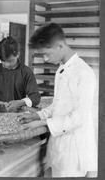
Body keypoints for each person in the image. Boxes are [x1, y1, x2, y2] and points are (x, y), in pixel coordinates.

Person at [17, 23, 97, 177]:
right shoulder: (61, 70)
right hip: (59, 143)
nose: (46, 59)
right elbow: (57, 105)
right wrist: (36, 115)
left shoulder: (84, 73)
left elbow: (77, 118)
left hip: (74, 148)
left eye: (47, 53)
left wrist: (41, 123)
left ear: (60, 46)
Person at [0, 36, 41, 115]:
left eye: (10, 61)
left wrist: (20, 102)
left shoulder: (26, 72)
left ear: (18, 54)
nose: (7, 64)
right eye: (3, 61)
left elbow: (35, 97)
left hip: (19, 112)